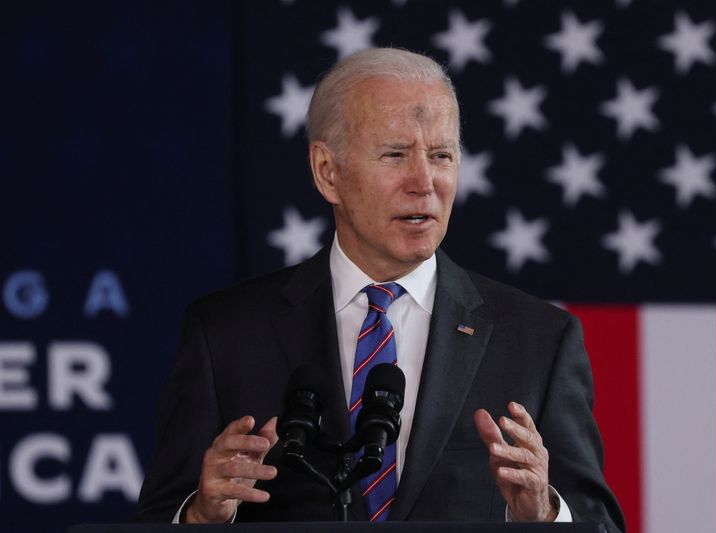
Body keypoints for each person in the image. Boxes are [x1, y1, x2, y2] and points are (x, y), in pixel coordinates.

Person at [134, 47, 624, 531]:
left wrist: (542, 514)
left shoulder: (538, 340)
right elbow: (158, 516)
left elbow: (599, 525)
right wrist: (201, 514)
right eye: (395, 155)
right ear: (328, 172)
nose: (424, 182)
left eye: (441, 155)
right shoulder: (225, 334)